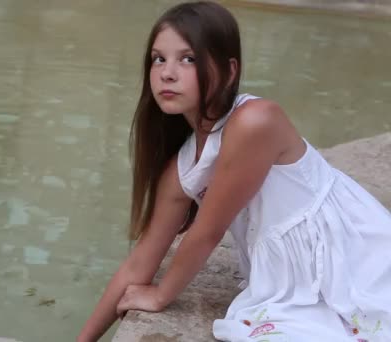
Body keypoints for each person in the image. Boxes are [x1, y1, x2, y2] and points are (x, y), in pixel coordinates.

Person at [77, 1, 391, 341]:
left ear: (229, 71)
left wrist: (161, 294)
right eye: (158, 58)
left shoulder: (255, 121)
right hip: (290, 280)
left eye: (188, 58)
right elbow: (139, 264)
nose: (167, 72)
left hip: (353, 259)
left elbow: (208, 231)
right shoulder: (182, 167)